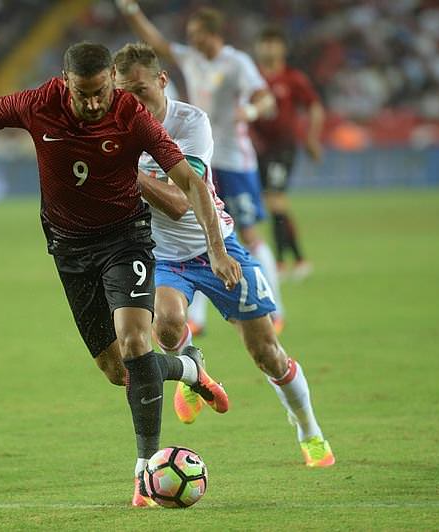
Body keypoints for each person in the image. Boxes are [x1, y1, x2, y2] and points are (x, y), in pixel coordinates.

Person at [0, 42, 242, 507]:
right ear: (65, 83)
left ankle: (144, 470)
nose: (94, 103)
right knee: (119, 372)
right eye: (84, 94)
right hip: (70, 249)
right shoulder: (39, 103)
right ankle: (188, 368)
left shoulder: (131, 114)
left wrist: (217, 249)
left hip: (126, 238)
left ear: (111, 82)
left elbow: (190, 183)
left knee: (136, 341)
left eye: (101, 92)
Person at [114, 42, 335, 470]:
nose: (132, 102)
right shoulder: (113, 128)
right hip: (163, 256)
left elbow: (181, 200)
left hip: (216, 245)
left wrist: (127, 171)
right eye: (124, 93)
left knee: (267, 352)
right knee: (167, 324)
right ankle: (193, 370)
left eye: (140, 91)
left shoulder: (190, 122)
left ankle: (309, 429)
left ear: (162, 81)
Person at [116, 1, 284, 335]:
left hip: (232, 159)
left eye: (197, 34)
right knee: (195, 230)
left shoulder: (237, 63)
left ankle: (275, 307)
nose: (192, 40)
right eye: (190, 34)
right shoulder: (190, 58)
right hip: (187, 155)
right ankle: (197, 317)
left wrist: (250, 113)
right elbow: (157, 43)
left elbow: (265, 98)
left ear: (214, 34)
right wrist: (132, 10)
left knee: (247, 234)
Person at [253, 26, 325, 279]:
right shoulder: (251, 77)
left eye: (273, 43)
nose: (268, 48)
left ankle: (285, 261)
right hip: (256, 149)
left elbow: (314, 106)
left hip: (282, 148)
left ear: (283, 48)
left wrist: (312, 137)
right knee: (271, 202)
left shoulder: (292, 78)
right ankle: (295, 259)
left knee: (275, 200)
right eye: (265, 43)